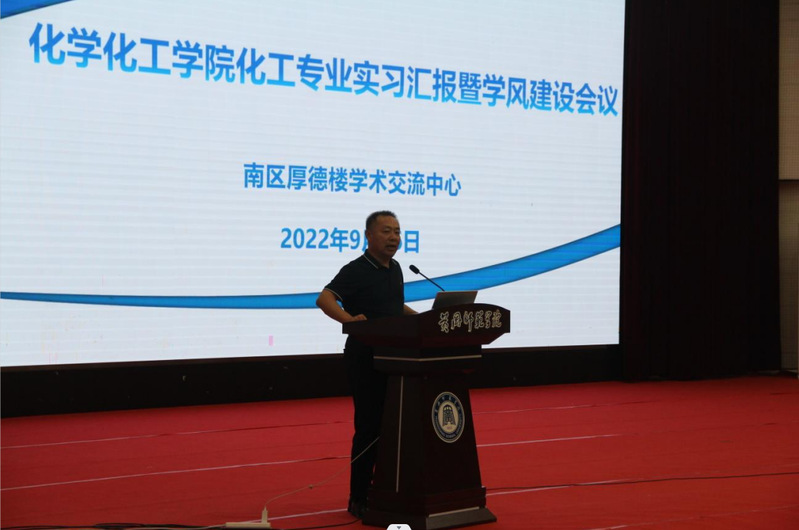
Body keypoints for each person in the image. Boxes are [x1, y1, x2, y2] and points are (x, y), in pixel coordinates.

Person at [316, 210, 417, 518]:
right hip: (365, 358)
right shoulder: (357, 269)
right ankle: (358, 497)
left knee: (394, 428)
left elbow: (393, 307)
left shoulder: (395, 268)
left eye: (397, 232)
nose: (394, 237)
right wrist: (349, 320)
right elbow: (324, 299)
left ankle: (385, 490)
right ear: (369, 236)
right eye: (386, 231)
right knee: (369, 427)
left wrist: (426, 319)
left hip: (396, 357)